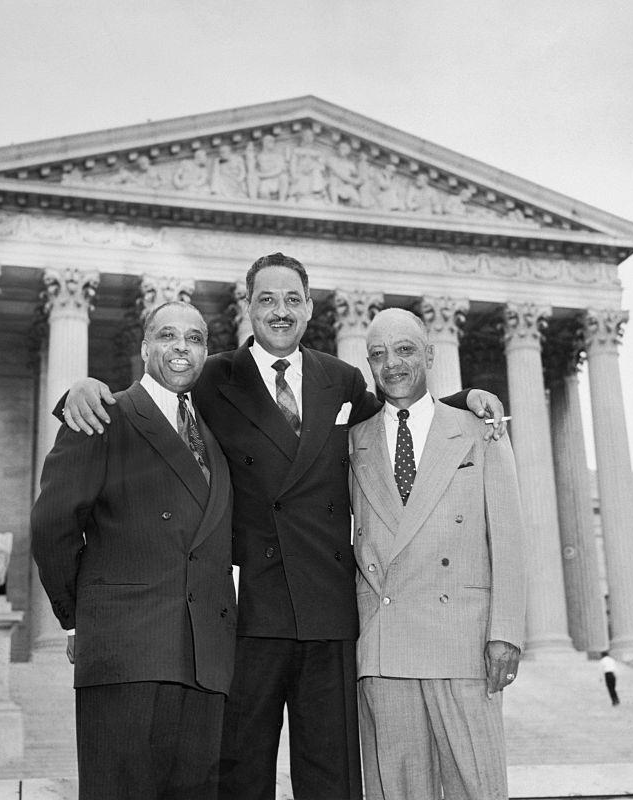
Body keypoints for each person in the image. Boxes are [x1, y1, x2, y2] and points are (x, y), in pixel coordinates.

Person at [60, 252, 507, 800]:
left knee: (331, 776)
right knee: (241, 772)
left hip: (329, 607)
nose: (280, 311)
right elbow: (151, 402)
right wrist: (82, 390)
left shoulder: (339, 379)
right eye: (266, 299)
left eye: (292, 299)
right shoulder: (212, 376)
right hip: (248, 610)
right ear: (247, 307)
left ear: (310, 308)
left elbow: (400, 409)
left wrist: (464, 401)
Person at [31, 301, 236, 800]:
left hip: (205, 662)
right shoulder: (103, 414)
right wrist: (80, 618)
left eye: (194, 338)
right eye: (168, 336)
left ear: (207, 351)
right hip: (127, 654)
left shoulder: (216, 432)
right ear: (144, 348)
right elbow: (52, 525)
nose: (181, 348)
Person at [348, 308, 525, 800]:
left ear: (429, 355)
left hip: (463, 644)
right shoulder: (353, 441)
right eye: (379, 355)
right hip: (384, 650)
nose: (393, 365)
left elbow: (508, 538)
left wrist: (506, 632)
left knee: (477, 789)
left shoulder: (480, 429)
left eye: (405, 350)